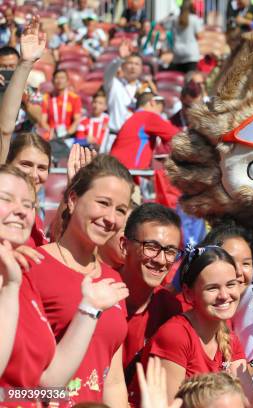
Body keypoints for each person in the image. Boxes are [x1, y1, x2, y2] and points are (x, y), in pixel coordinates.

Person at [0, 165, 129, 390]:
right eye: (6, 198)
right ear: (72, 200)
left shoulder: (18, 277)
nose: (21, 211)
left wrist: (89, 309)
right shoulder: (32, 267)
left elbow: (44, 385)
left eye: (29, 204)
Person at [28, 155, 134, 405]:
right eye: (103, 203)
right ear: (73, 201)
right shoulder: (33, 266)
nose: (111, 218)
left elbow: (113, 379)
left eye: (120, 210)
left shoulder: (112, 280)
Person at [145, 245, 253, 405]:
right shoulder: (176, 335)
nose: (224, 295)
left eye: (231, 284)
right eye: (212, 288)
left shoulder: (228, 338)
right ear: (188, 293)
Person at [120, 203, 183, 405]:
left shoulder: (171, 308)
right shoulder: (98, 295)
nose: (161, 260)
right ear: (124, 245)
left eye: (170, 251)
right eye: (152, 247)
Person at [0, 21, 45, 164]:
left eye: (12, 66)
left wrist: (25, 101)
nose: (8, 70)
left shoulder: (31, 89)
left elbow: (38, 118)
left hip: (24, 148)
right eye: (3, 67)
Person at [110, 92, 180, 170]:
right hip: (130, 171)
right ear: (152, 103)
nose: (160, 114)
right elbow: (177, 135)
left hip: (115, 168)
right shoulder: (148, 116)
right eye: (160, 109)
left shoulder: (134, 117)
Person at [5, 133, 51, 246]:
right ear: (8, 163)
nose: (34, 175)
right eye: (26, 164)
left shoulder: (35, 214)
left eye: (42, 168)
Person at [103, 40, 144, 136]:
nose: (133, 67)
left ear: (142, 68)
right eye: (130, 63)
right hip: (115, 135)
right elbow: (108, 73)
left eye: (137, 64)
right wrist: (120, 58)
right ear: (123, 66)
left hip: (135, 137)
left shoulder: (144, 89)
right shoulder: (114, 84)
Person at [40, 69, 82, 142]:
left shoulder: (74, 98)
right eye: (57, 78)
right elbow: (43, 121)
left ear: (68, 81)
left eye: (62, 78)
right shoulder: (46, 97)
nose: (59, 81)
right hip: (51, 136)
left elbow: (77, 120)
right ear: (53, 81)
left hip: (68, 137)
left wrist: (67, 133)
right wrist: (51, 132)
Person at [169, 0, 205, 73]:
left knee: (178, 81)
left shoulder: (175, 19)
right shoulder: (194, 19)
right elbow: (200, 36)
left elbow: (172, 35)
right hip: (191, 55)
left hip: (178, 54)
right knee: (190, 80)